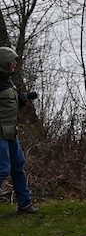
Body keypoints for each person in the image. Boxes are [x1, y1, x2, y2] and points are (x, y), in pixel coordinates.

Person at [0, 46, 38, 214]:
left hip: (10, 132)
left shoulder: (7, 80)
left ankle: (25, 204)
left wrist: (23, 99)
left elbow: (8, 103)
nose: (15, 63)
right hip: (0, 133)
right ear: (4, 63)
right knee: (2, 169)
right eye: (12, 61)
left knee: (18, 167)